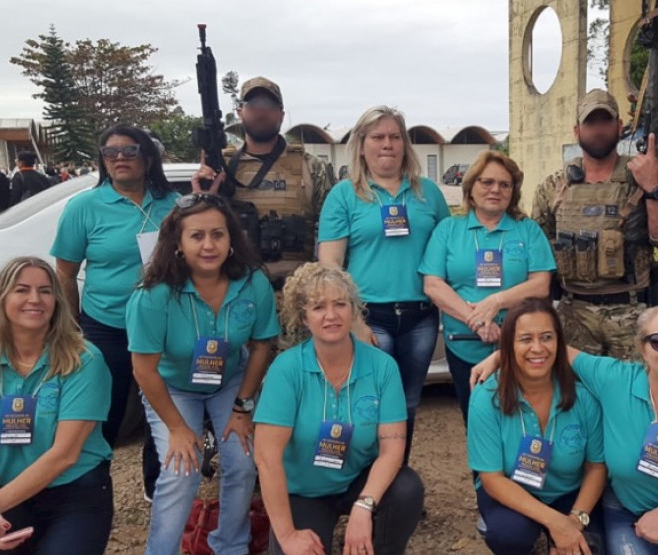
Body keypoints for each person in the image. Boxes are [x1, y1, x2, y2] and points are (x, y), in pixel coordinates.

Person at [473, 304, 658, 555]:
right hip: (627, 510)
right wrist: (502, 356)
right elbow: (548, 348)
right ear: (641, 349)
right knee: (519, 534)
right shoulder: (615, 380)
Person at [126, 193, 279, 555]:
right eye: (196, 236)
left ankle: (230, 546)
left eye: (218, 234)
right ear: (177, 243)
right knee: (182, 471)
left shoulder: (252, 282)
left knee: (242, 461)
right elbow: (143, 370)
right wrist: (179, 429)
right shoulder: (153, 294)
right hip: (172, 387)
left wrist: (243, 408)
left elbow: (261, 345)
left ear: (232, 239)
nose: (209, 245)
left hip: (230, 383)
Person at [254, 262, 424, 555]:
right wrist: (288, 535)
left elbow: (392, 449)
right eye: (318, 307)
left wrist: (364, 504)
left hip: (357, 478)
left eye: (340, 304)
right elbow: (267, 458)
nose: (331, 315)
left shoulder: (382, 367)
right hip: (303, 491)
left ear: (353, 310)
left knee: (406, 489)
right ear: (304, 317)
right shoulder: (287, 369)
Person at [50, 125, 178, 500]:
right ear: (102, 160)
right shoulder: (84, 207)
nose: (120, 157)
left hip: (164, 327)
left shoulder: (171, 203)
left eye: (130, 150)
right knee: (101, 409)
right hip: (106, 326)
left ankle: (157, 486)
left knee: (162, 407)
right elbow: (65, 272)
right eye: (110, 152)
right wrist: (70, 329)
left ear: (148, 157)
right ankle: (91, 483)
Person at [318, 105, 451, 460]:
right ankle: (365, 482)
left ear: (405, 145)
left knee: (407, 403)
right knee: (370, 403)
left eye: (395, 137)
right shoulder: (345, 195)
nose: (387, 145)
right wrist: (354, 323)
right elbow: (329, 266)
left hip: (420, 317)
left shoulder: (428, 195)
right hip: (369, 317)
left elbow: (447, 252)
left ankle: (396, 483)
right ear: (362, 145)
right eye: (378, 137)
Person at [0, 257, 113, 554]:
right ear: (1, 298)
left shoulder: (84, 360)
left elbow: (64, 456)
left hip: (75, 495)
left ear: (57, 301)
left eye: (45, 291)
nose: (35, 299)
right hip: (5, 488)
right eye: (22, 290)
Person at [532, 89, 658, 358]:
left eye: (605, 121)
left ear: (618, 126)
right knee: (576, 396)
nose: (598, 130)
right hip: (573, 315)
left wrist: (653, 188)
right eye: (590, 123)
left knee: (631, 394)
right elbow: (538, 259)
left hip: (632, 313)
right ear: (577, 130)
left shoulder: (647, 174)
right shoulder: (553, 186)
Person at [420, 151, 555, 424]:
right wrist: (478, 321)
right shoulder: (448, 229)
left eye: (505, 184)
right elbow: (433, 285)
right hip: (464, 345)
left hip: (521, 345)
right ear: (471, 188)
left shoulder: (527, 230)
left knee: (526, 423)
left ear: (513, 192)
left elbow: (541, 284)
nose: (496, 189)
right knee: (478, 424)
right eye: (487, 182)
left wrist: (496, 302)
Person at [468, 298, 605, 555]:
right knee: (509, 536)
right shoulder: (486, 397)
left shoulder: (584, 396)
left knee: (591, 547)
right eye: (525, 339)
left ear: (559, 343)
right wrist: (555, 523)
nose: (538, 348)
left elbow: (596, 467)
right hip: (512, 491)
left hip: (569, 493)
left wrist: (574, 521)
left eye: (546, 337)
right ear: (508, 345)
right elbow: (492, 479)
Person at [193, 76, 334, 288]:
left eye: (269, 105)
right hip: (237, 290)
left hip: (297, 294)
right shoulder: (221, 167)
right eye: (253, 105)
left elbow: (333, 230)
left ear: (281, 114)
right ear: (240, 111)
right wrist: (202, 198)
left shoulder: (311, 166)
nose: (261, 111)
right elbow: (198, 232)